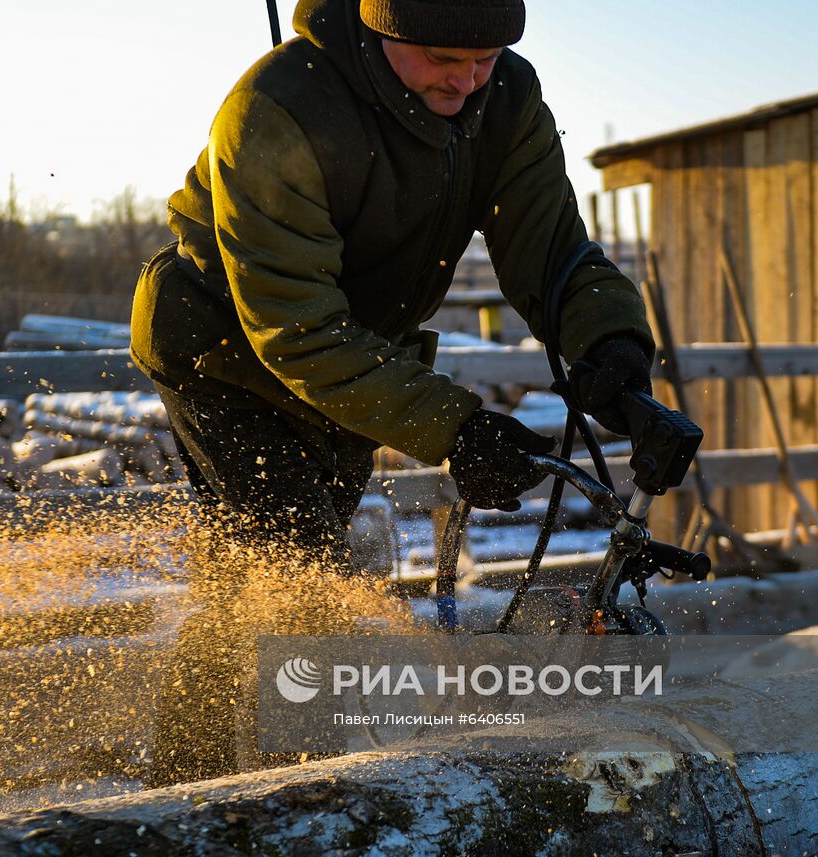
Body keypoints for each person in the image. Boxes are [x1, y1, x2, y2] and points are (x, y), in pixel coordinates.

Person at [131, 0, 655, 783]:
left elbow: (549, 250)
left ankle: (198, 776)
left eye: (485, 58)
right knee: (293, 568)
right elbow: (294, 329)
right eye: (445, 58)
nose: (468, 79)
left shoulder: (504, 100)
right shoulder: (278, 108)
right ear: (383, 27)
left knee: (260, 579)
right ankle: (288, 797)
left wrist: (611, 343)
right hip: (226, 350)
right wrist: (457, 428)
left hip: (355, 353)